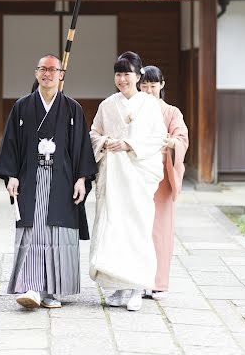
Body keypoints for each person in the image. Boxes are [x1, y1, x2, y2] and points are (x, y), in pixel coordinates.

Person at [0, 54, 97, 310]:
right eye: (42, 69)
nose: (47, 74)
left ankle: (54, 291)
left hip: (62, 180)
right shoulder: (22, 106)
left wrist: (82, 179)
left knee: (58, 232)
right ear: (36, 73)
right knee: (33, 230)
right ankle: (32, 287)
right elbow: (11, 143)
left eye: (53, 69)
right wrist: (11, 175)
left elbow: (81, 147)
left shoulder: (73, 108)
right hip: (31, 178)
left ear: (61, 75)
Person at [89, 51, 166, 311]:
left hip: (138, 176)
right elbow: (94, 132)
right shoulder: (108, 104)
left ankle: (136, 287)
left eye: (127, 73)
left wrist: (129, 144)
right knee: (114, 229)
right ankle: (118, 287)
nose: (122, 79)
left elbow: (157, 138)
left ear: (138, 75)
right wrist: (104, 142)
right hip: (113, 176)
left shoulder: (150, 104)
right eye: (118, 73)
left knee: (137, 228)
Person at [140, 65, 189, 299]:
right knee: (138, 228)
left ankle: (159, 282)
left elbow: (182, 138)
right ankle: (138, 278)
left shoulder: (171, 112)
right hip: (138, 175)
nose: (149, 90)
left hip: (161, 176)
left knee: (160, 230)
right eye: (144, 85)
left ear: (162, 85)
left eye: (153, 85)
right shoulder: (134, 109)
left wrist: (169, 143)